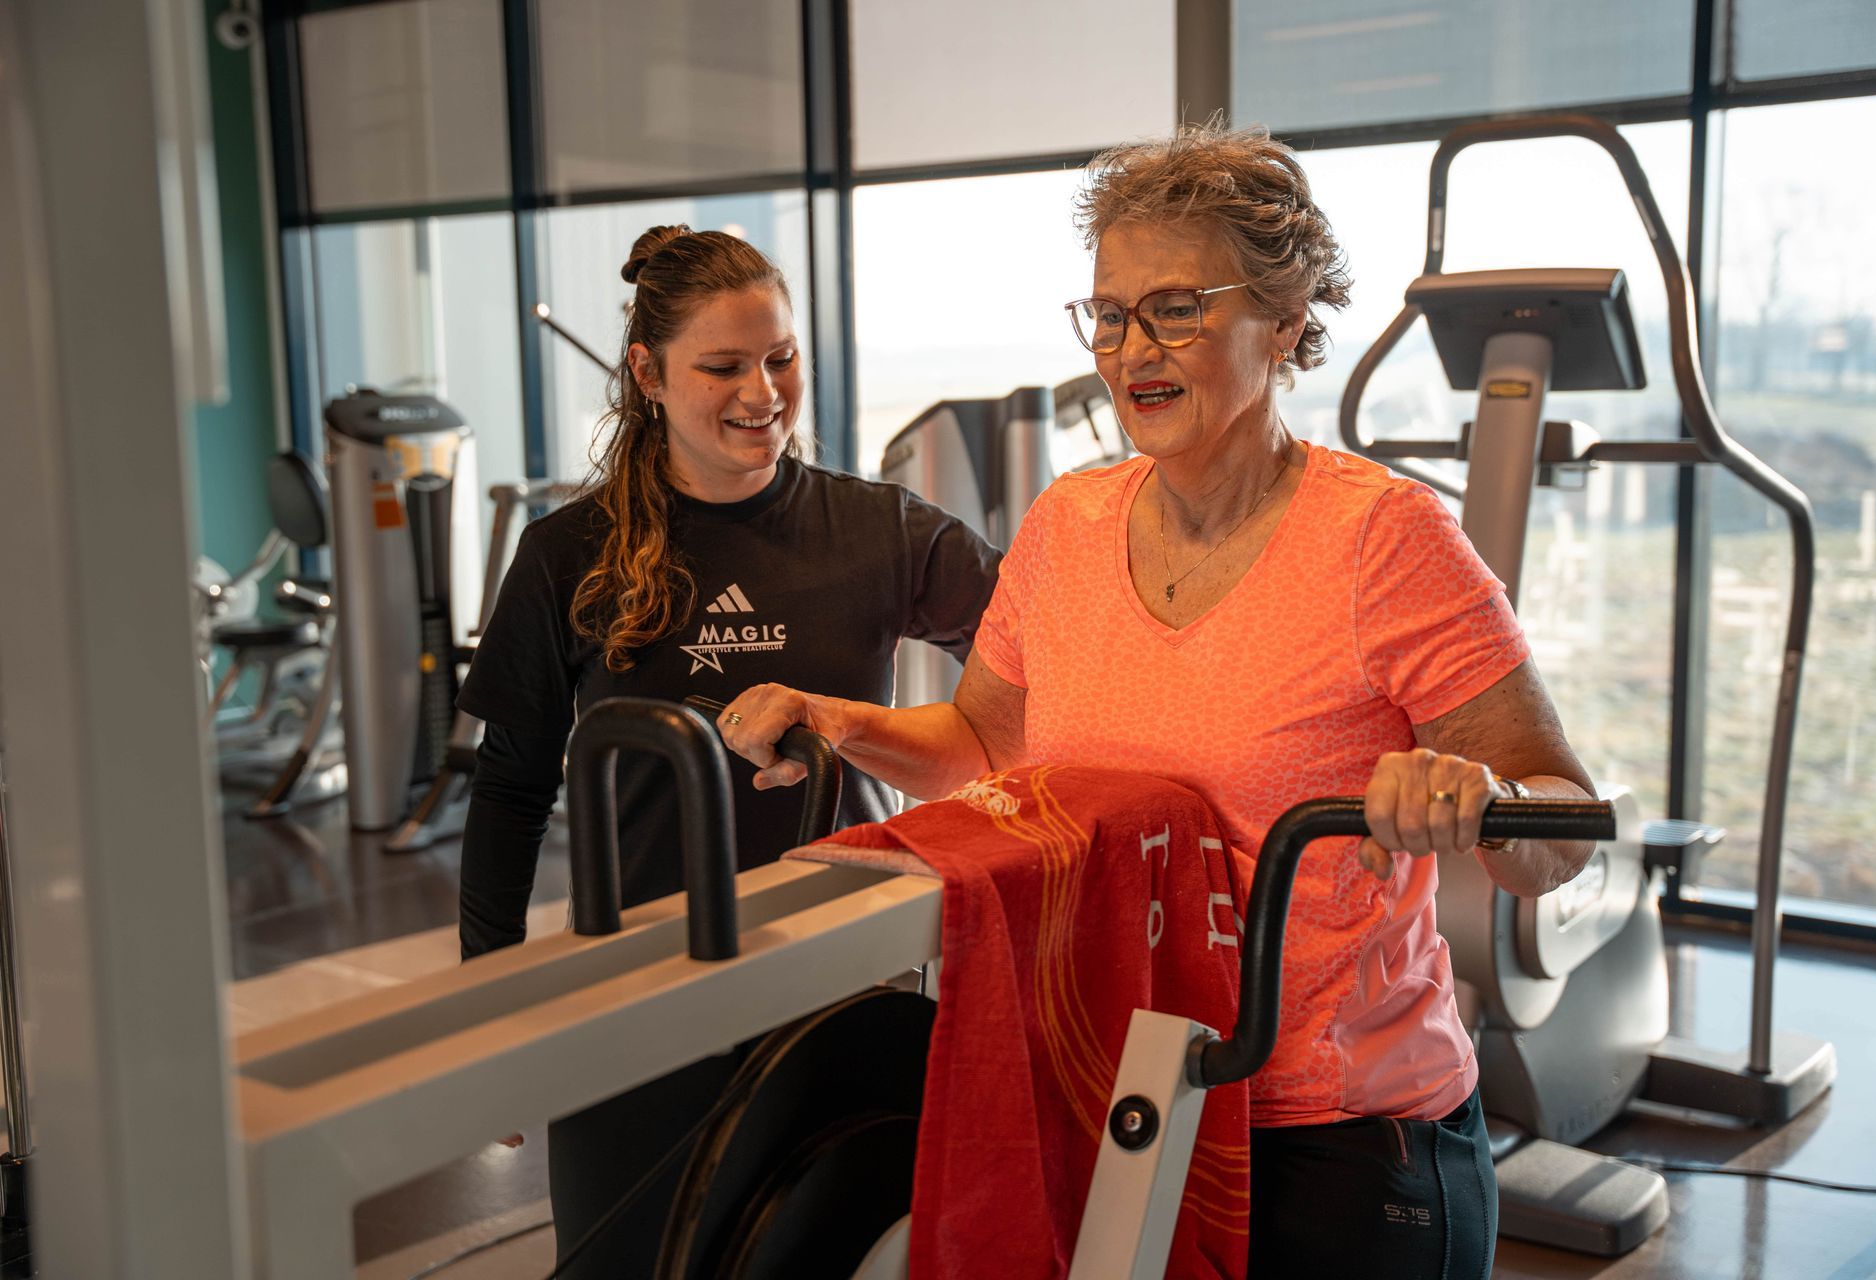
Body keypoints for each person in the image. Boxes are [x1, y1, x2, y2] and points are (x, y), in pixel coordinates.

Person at [714, 124, 1598, 1279]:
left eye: (1177, 308)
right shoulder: (1067, 527)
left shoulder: (1386, 541)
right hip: (1138, 1094)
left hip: (1340, 1142)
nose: (1134, 346)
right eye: (1112, 312)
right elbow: (986, 744)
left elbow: (1561, 821)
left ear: (1283, 322)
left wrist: (1478, 800)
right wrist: (843, 721)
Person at [455, 224, 1000, 1275]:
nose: (764, 389)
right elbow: (511, 788)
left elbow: (1041, 652)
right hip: (636, 990)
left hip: (834, 984)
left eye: (782, 355)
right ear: (648, 373)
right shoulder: (567, 553)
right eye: (724, 365)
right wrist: (496, 1004)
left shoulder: (881, 530)